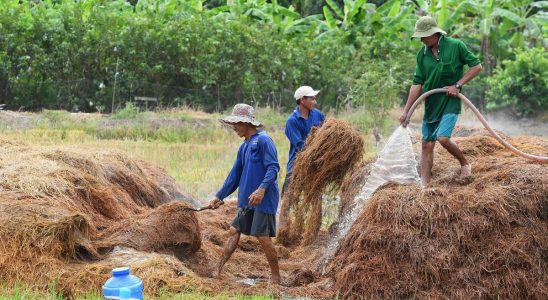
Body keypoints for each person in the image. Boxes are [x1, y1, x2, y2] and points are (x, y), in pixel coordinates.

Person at [399, 16, 483, 186]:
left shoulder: (455, 46)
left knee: (443, 138)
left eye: (424, 36)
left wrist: (458, 85)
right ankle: (425, 185)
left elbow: (476, 66)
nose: (421, 39)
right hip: (431, 103)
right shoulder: (422, 55)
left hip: (450, 100)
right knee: (426, 144)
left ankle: (465, 164)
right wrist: (406, 110)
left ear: (434, 33)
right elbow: (417, 84)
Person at [209, 103, 281, 285]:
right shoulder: (244, 146)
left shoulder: (264, 141)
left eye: (237, 124)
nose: (234, 128)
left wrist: (261, 189)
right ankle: (217, 269)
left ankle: (276, 277)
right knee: (234, 230)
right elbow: (235, 175)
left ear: (246, 123)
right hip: (246, 200)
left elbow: (273, 168)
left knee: (262, 238)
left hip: (263, 199)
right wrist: (219, 196)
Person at [277, 86, 325, 236]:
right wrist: (318, 147)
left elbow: (327, 134)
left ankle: (313, 233)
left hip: (316, 164)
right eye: (312, 99)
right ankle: (282, 231)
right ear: (302, 100)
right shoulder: (292, 121)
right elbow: (299, 146)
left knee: (316, 199)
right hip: (297, 165)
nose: (315, 102)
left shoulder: (318, 116)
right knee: (288, 199)